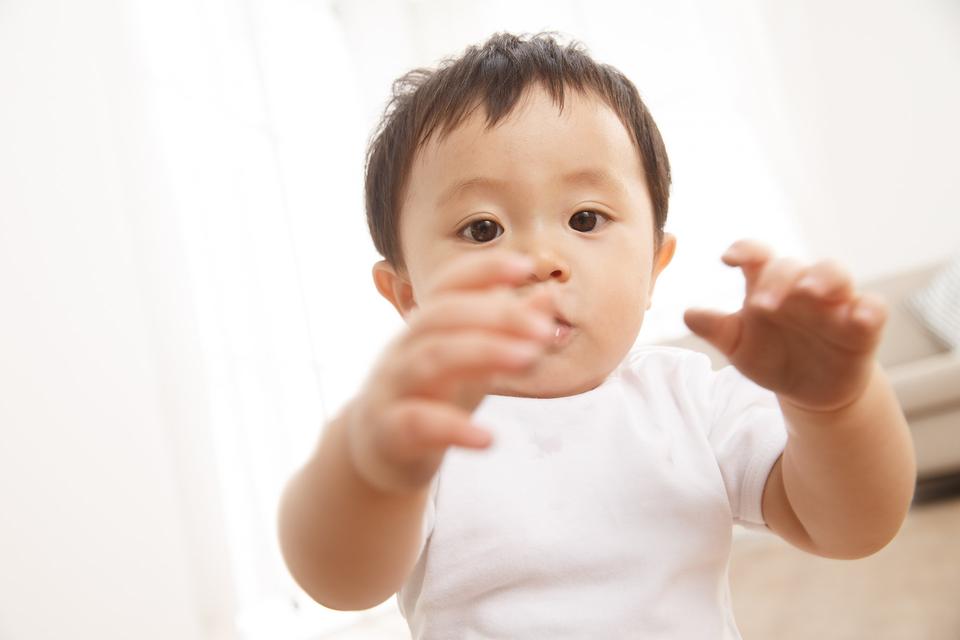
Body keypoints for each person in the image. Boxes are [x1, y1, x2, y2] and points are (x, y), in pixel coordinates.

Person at [277, 32, 916, 638]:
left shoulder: (691, 402)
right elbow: (341, 584)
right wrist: (371, 472)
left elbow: (850, 527)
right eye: (482, 229)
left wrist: (833, 406)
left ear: (652, 268)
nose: (542, 258)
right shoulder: (424, 429)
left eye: (585, 218)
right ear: (410, 295)